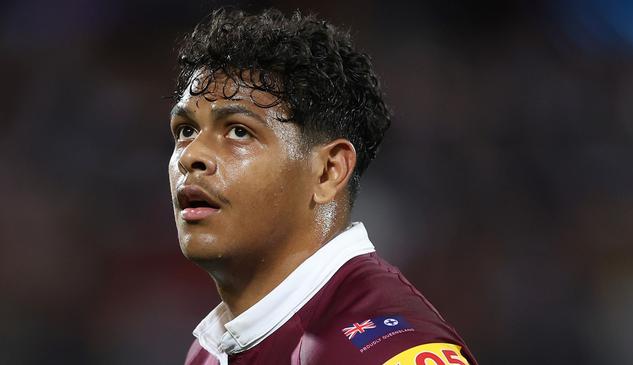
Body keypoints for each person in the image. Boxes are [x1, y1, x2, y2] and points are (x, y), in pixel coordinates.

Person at [168, 7, 478, 365]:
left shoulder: (387, 350)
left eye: (239, 131)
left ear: (328, 171)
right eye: (186, 131)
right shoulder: (208, 351)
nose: (192, 156)